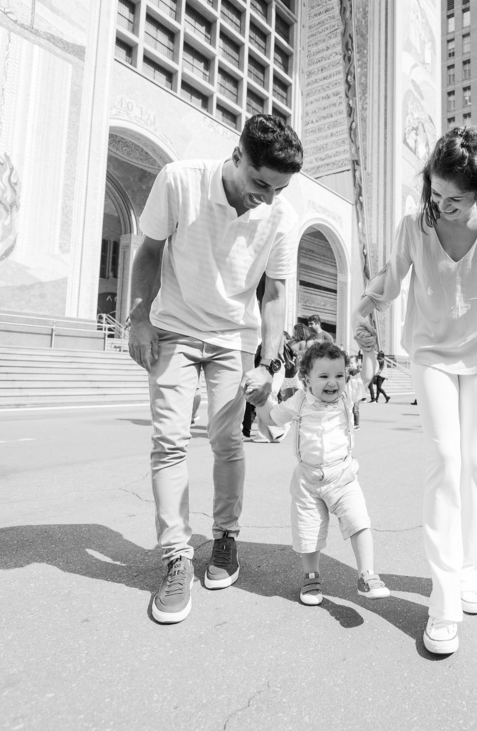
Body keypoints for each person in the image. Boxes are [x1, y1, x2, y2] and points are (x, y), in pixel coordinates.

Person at [353, 126, 477, 656]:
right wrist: (366, 305)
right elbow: (391, 279)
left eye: (456, 199)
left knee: (475, 467)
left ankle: (470, 570)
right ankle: (442, 603)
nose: (442, 205)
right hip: (432, 355)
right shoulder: (414, 227)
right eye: (436, 193)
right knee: (444, 461)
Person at [127, 114, 303, 625]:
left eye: (279, 189)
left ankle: (225, 539)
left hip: (236, 337)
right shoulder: (180, 180)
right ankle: (176, 557)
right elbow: (149, 252)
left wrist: (271, 364)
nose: (266, 198)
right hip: (175, 328)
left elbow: (274, 293)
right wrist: (138, 318)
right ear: (237, 156)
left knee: (227, 443)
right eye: (259, 183)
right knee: (169, 442)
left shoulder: (281, 217)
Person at [249, 342, 391, 605]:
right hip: (307, 480)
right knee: (308, 532)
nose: (332, 383)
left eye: (339, 375)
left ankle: (367, 574)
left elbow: (368, 373)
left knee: (359, 521)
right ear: (307, 379)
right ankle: (311, 576)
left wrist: (369, 350)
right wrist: (259, 401)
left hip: (343, 476)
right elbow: (273, 418)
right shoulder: (299, 400)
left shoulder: (348, 395)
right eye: (323, 376)